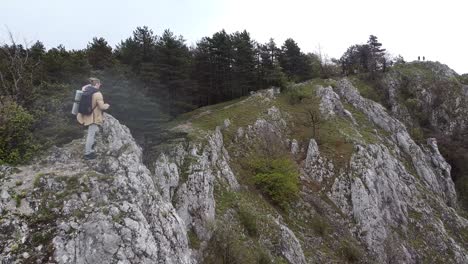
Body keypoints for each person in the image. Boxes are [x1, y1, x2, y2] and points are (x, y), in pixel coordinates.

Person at [77, 77, 110, 160]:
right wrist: (107, 105)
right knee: (91, 135)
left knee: (92, 133)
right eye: (99, 84)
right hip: (94, 117)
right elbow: (102, 107)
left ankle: (90, 149)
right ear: (97, 84)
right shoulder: (97, 94)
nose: (100, 86)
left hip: (87, 115)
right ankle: (88, 153)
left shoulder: (86, 90)